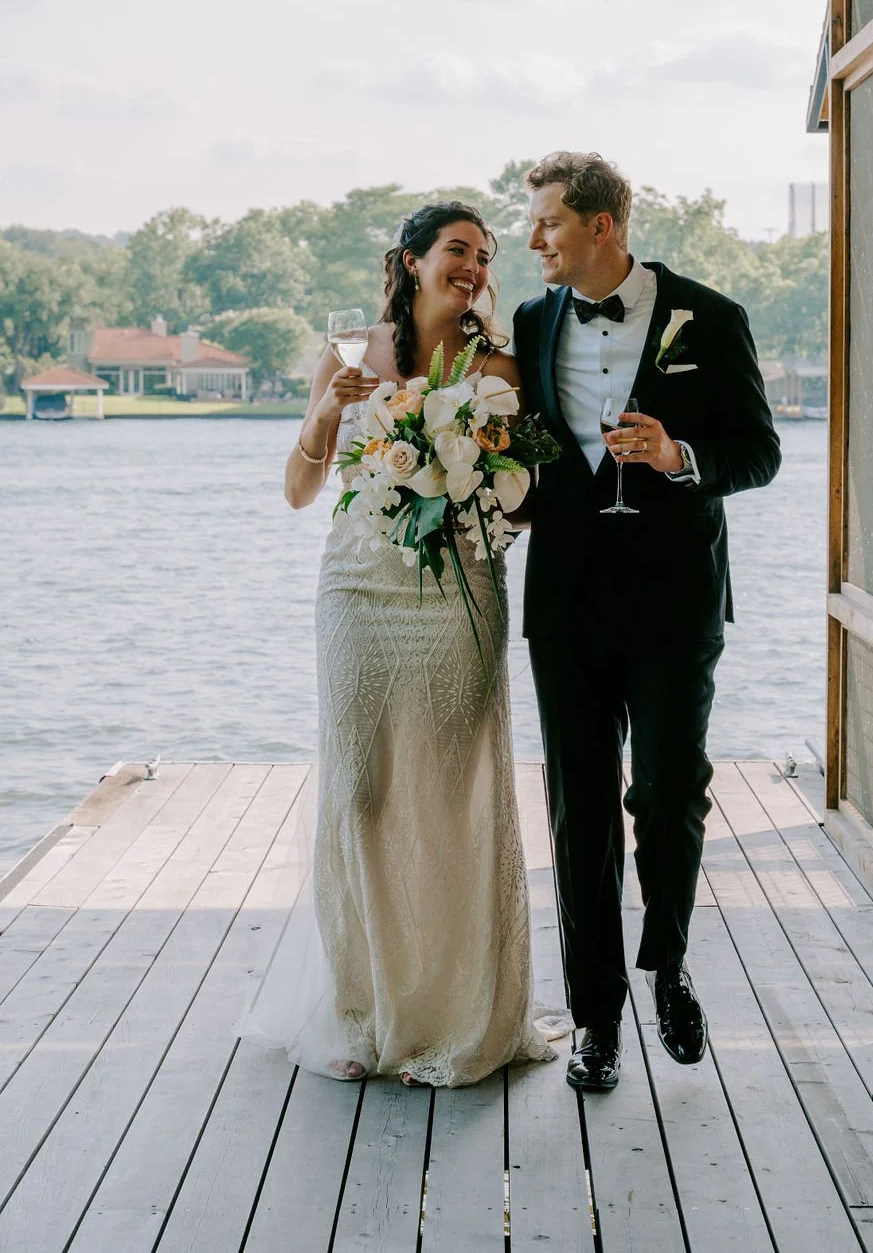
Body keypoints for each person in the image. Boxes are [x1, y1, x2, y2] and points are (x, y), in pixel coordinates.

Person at [238, 201, 559, 1087]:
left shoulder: (499, 363)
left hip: (460, 589)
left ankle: (456, 1016)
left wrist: (494, 459)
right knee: (362, 790)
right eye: (458, 249)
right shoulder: (352, 354)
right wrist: (324, 417)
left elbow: (526, 493)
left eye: (485, 257)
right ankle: (361, 1009)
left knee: (451, 791)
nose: (475, 267)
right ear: (414, 260)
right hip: (357, 585)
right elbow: (301, 488)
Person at [512, 152, 781, 1091]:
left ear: (603, 226)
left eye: (546, 221)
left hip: (674, 603)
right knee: (578, 813)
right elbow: (540, 450)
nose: (533, 238)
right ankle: (595, 1020)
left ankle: (666, 967)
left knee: (669, 797)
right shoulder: (532, 319)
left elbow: (760, 454)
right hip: (565, 606)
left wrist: (677, 454)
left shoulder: (712, 317)